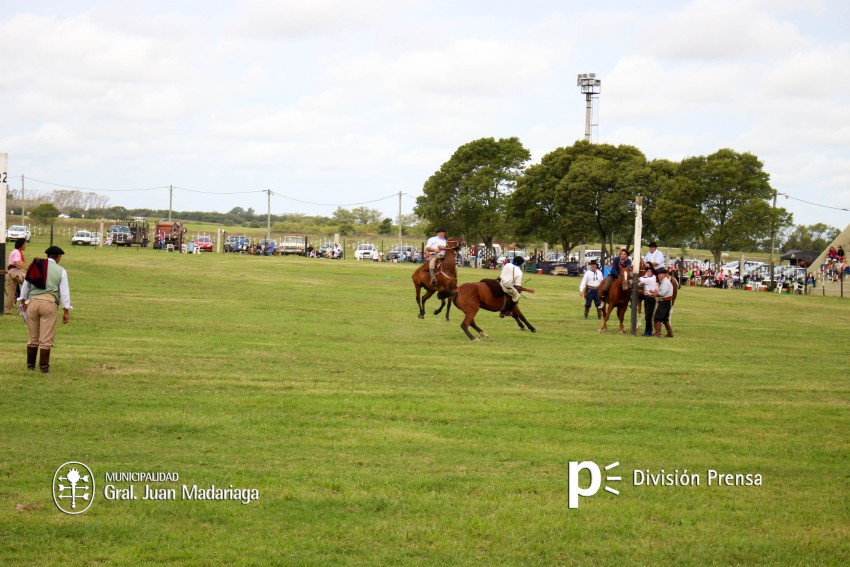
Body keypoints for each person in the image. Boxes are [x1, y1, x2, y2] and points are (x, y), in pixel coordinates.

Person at [19, 246, 73, 373]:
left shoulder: (36, 266)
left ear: (48, 255)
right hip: (49, 303)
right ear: (58, 257)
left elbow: (26, 285)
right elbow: (64, 293)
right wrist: (66, 311)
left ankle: (30, 366)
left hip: (32, 303)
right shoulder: (61, 270)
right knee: (46, 338)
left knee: (33, 337)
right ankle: (43, 367)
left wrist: (23, 301)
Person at [5, 238, 28, 314]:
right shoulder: (17, 253)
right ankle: (25, 303)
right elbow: (16, 262)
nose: (25, 245)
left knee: (11, 292)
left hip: (10, 273)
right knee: (29, 282)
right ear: (21, 245)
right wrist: (26, 268)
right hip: (16, 272)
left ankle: (8, 310)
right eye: (24, 244)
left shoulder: (13, 251)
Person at [651, 267, 674, 338]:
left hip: (664, 302)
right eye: (658, 274)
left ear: (663, 275)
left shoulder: (665, 282)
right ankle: (670, 333)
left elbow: (663, 293)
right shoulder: (665, 281)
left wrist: (656, 294)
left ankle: (658, 333)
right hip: (667, 302)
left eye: (659, 274)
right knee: (665, 318)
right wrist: (655, 292)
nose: (658, 276)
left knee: (657, 318)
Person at [639, 264, 658, 337]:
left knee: (648, 316)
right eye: (647, 271)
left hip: (651, 298)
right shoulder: (647, 278)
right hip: (646, 298)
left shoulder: (651, 279)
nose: (648, 272)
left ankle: (649, 332)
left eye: (650, 271)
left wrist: (633, 277)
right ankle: (647, 331)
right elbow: (640, 284)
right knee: (647, 316)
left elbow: (640, 280)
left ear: (652, 272)